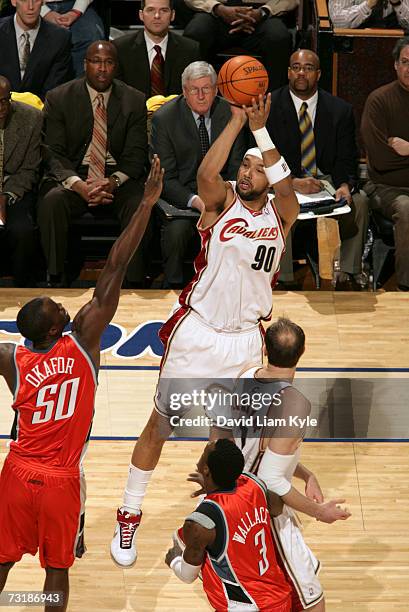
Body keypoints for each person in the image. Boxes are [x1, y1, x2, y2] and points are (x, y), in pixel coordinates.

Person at [110, 93, 300, 567]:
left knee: (221, 440)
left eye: (256, 169)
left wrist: (262, 135)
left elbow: (288, 188)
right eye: (245, 168)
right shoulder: (222, 206)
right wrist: (237, 123)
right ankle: (129, 511)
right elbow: (204, 177)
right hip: (199, 332)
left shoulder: (282, 216)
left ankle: (205, 522)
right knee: (163, 423)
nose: (247, 173)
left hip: (243, 341)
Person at [0, 156, 163, 611]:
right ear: (53, 330)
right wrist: (146, 204)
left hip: (15, 473)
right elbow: (114, 266)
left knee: (2, 563)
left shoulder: (12, 357)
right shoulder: (83, 340)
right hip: (60, 480)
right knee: (56, 570)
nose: (64, 306)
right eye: (57, 307)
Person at [208, 317, 351, 610]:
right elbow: (271, 478)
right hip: (263, 506)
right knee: (312, 601)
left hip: (236, 493)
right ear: (303, 351)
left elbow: (259, 449)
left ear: (265, 347)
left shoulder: (245, 374)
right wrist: (319, 512)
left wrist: (306, 474)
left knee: (276, 591)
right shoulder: (294, 404)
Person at [38, 40, 150, 288]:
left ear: (116, 67)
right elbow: (53, 153)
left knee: (139, 203)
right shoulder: (59, 98)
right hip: (75, 173)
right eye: (96, 62)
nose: (102, 68)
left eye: (109, 63)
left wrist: (111, 182)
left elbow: (136, 155)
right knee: (52, 200)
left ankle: (133, 280)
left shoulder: (133, 99)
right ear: (85, 64)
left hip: (116, 175)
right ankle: (55, 277)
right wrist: (79, 185)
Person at [266, 49, 368, 289]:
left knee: (360, 201)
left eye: (308, 68)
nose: (302, 73)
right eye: (296, 67)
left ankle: (347, 274)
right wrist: (290, 183)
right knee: (278, 202)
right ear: (288, 72)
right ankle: (283, 279)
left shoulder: (339, 110)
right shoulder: (268, 106)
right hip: (285, 180)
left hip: (326, 181)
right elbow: (261, 157)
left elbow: (347, 158)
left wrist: (344, 186)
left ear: (319, 74)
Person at [165, 439, 292, 612]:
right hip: (280, 598)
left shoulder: (199, 524)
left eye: (205, 451)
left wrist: (174, 560)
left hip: (246, 606)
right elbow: (277, 506)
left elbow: (187, 576)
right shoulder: (254, 484)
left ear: (206, 469)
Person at [151, 61, 247, 288]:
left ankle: (230, 289)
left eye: (207, 89)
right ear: (185, 91)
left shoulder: (231, 114)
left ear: (216, 90)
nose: (201, 96)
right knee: (176, 233)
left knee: (236, 229)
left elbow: (236, 167)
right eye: (195, 90)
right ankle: (173, 288)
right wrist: (197, 202)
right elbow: (166, 178)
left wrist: (223, 200)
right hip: (184, 200)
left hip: (225, 198)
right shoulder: (164, 119)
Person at [361, 37, 409, 291]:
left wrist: (407, 149)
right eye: (405, 62)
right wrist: (396, 157)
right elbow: (381, 159)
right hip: (385, 187)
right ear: (395, 65)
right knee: (408, 207)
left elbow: (397, 156)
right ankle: (406, 287)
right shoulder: (379, 100)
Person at [183, 0, 296, 92]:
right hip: (214, 13)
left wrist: (263, 12)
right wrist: (218, 8)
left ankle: (274, 102)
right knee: (196, 33)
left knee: (278, 37)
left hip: (263, 15)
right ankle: (193, 95)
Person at [0, 75, 43, 287]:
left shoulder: (31, 118)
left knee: (23, 230)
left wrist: (5, 197)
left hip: (15, 190)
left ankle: (23, 289)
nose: (1, 107)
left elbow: (30, 169)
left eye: (4, 100)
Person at [114, 0, 201, 99]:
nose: (157, 16)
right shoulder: (121, 49)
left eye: (163, 10)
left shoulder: (190, 50)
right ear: (141, 15)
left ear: (172, 15)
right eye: (150, 10)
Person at [0, 0, 72, 100]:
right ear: (14, 1)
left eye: (36, 0)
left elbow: (53, 91)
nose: (31, 7)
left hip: (39, 111)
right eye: (24, 0)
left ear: (43, 2)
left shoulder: (60, 39)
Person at [41, 0, 105, 77]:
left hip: (76, 3)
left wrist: (75, 12)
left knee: (92, 37)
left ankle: (80, 86)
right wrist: (44, 12)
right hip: (35, 4)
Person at [328, 0, 409, 29]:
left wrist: (397, 4)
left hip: (394, 45)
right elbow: (338, 23)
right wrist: (368, 5)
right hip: (353, 45)